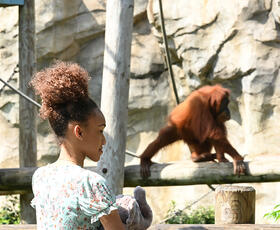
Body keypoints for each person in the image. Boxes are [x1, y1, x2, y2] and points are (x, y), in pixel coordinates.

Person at [30, 61, 125, 230]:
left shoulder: (40, 176)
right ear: (79, 132)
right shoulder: (91, 183)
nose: (104, 141)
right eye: (100, 131)